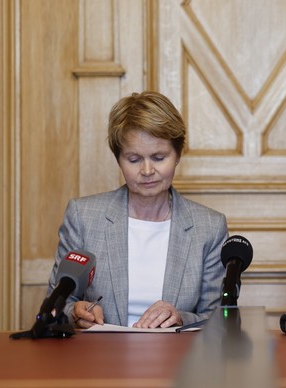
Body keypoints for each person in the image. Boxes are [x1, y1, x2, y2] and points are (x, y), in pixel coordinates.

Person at [46, 91, 228, 329]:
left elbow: (217, 318)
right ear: (118, 159)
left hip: (178, 361)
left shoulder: (209, 227)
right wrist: (75, 312)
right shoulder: (83, 217)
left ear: (177, 155)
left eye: (159, 157)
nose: (147, 170)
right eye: (133, 159)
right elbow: (57, 303)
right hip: (99, 359)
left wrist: (180, 317)